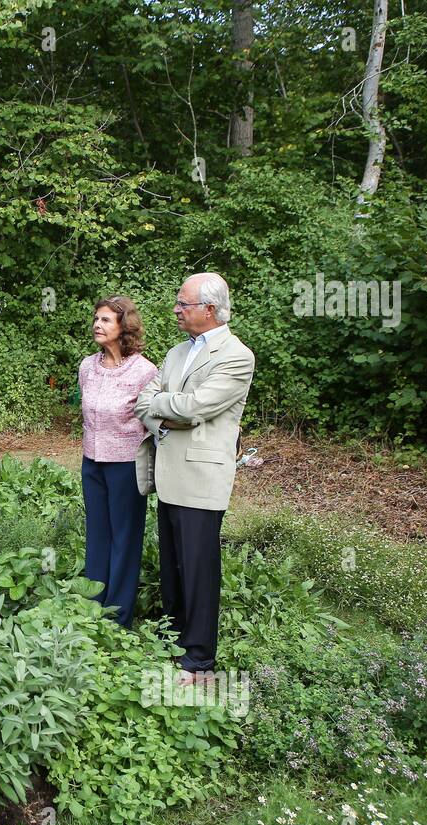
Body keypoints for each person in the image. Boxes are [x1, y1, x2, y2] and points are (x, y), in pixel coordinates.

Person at [135, 272, 255, 684]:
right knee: (173, 566)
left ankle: (199, 660)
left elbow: (198, 406)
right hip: (169, 473)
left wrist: (167, 409)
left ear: (209, 308)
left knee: (199, 569)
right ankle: (173, 641)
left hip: (202, 478)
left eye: (183, 303)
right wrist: (167, 418)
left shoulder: (236, 355)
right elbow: (146, 402)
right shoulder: (174, 353)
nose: (176, 309)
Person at [78, 296, 158, 627]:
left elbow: (151, 419)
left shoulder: (144, 370)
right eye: (97, 319)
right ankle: (93, 606)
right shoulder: (87, 366)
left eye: (106, 320)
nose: (98, 325)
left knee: (124, 538)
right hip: (92, 462)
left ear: (124, 327)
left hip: (126, 465)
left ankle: (118, 616)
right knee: (97, 533)